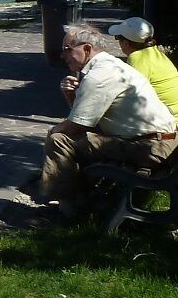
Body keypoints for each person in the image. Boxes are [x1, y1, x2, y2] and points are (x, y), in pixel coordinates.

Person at [40, 21, 177, 218]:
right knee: (71, 137)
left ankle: (70, 210)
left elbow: (75, 127)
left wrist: (53, 131)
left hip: (150, 148)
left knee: (58, 139)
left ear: (87, 49)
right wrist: (71, 95)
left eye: (67, 49)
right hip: (161, 143)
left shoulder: (99, 76)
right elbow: (86, 120)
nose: (62, 55)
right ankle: (78, 196)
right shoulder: (112, 66)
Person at [109, 16, 178, 118]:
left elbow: (129, 95)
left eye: (118, 38)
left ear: (126, 43)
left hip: (165, 118)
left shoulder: (137, 59)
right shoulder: (156, 53)